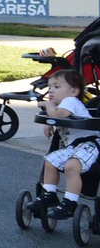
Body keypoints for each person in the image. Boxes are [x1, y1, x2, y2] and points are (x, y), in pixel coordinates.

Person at [36, 69, 98, 220]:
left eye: (57, 87)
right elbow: (57, 117)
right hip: (73, 147)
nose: (51, 90)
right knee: (50, 161)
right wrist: (50, 123)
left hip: (89, 144)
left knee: (72, 166)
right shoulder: (63, 105)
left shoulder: (70, 102)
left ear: (74, 91)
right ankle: (49, 194)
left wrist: (48, 106)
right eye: (50, 87)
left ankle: (70, 203)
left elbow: (57, 115)